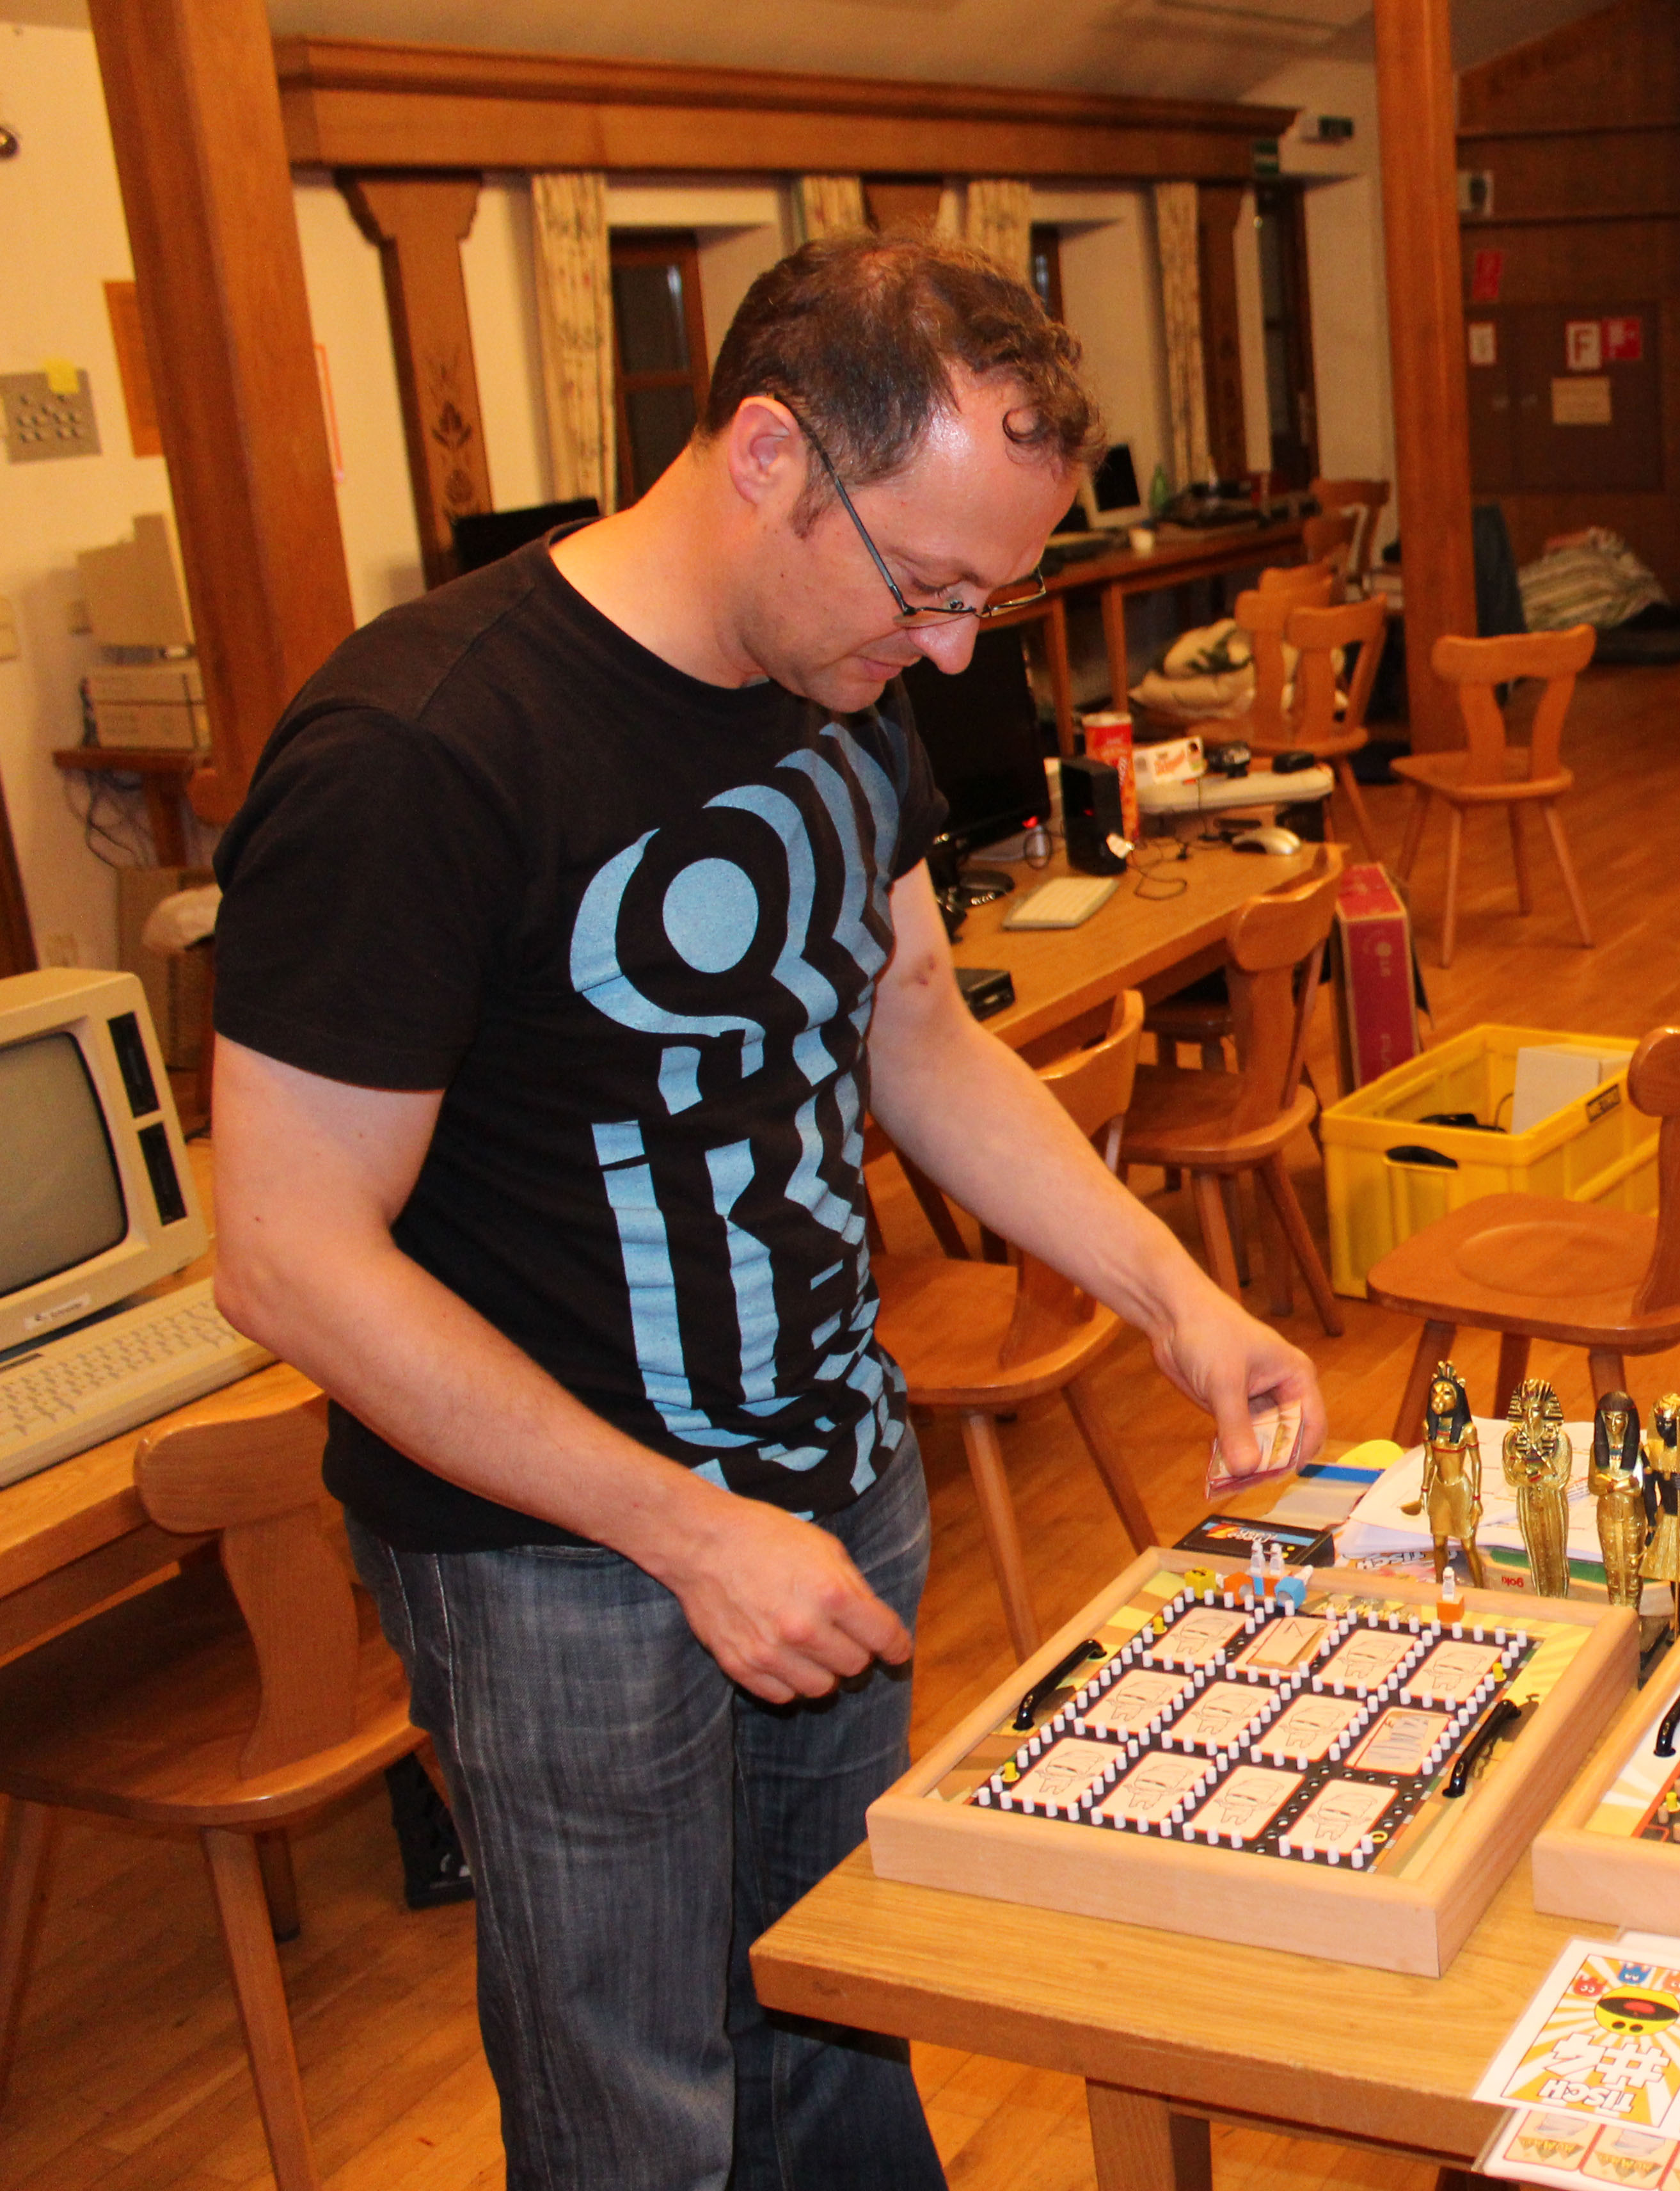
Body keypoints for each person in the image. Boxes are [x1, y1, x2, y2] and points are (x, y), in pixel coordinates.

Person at [205, 234, 1325, 2187]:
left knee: (829, 2033)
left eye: (992, 596)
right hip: (564, 1562)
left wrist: (1178, 1301)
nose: (955, 652)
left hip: (831, 1484)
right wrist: (683, 1528)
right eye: (930, 585)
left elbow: (920, 1036)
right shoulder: (422, 751)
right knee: (637, 2113)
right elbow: (288, 1259)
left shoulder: (841, 680)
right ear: (766, 455)